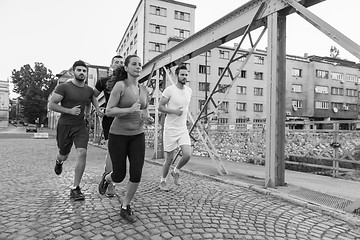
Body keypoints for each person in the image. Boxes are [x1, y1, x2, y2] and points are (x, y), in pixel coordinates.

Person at [98, 55, 153, 223]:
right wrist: (128, 110)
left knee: (136, 173)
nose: (138, 66)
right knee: (120, 175)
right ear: (127, 68)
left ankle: (125, 206)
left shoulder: (144, 89)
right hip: (118, 135)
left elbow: (144, 110)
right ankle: (107, 178)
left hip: (137, 135)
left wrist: (147, 117)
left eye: (140, 64)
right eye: (134, 64)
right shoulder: (120, 86)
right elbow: (109, 110)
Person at [48, 60, 101, 201]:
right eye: (79, 70)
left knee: (82, 152)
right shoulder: (64, 87)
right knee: (63, 155)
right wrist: (69, 111)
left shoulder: (88, 90)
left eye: (84, 71)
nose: (82, 73)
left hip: (80, 127)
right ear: (73, 71)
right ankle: (59, 162)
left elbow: (91, 101)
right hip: (65, 125)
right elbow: (51, 105)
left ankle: (75, 188)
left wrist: (89, 114)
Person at [93, 55, 124, 197]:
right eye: (116, 62)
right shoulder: (103, 81)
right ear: (111, 65)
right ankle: (110, 183)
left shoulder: (127, 81)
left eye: (121, 62)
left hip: (125, 119)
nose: (119, 64)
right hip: (110, 119)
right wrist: (97, 109)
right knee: (112, 152)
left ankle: (110, 177)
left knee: (121, 155)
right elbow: (93, 95)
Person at [158, 65, 192, 191]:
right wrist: (174, 111)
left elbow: (186, 107)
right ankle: (163, 181)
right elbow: (160, 107)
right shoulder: (169, 90)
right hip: (170, 128)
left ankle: (176, 171)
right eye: (182, 74)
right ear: (177, 75)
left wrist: (186, 118)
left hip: (182, 128)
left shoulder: (189, 91)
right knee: (169, 158)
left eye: (186, 75)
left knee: (187, 154)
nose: (184, 77)